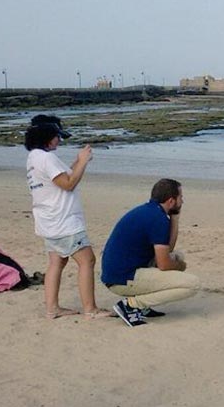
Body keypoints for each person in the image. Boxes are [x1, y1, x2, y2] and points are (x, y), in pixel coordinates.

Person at [25, 116, 112, 320]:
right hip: (63, 221)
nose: (59, 140)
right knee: (87, 260)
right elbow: (68, 183)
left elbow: (64, 176)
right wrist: (83, 162)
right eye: (57, 137)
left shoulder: (34, 158)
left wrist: (79, 162)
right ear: (47, 137)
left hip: (49, 221)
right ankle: (90, 309)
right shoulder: (46, 158)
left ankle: (52, 308)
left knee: (57, 262)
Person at [101, 178, 199, 327]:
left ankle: (142, 307)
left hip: (118, 273)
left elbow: (168, 249)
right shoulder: (157, 219)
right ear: (171, 201)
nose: (182, 201)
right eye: (181, 197)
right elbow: (164, 265)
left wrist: (175, 219)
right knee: (193, 284)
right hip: (122, 278)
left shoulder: (151, 211)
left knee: (176, 255)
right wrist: (180, 266)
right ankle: (132, 305)